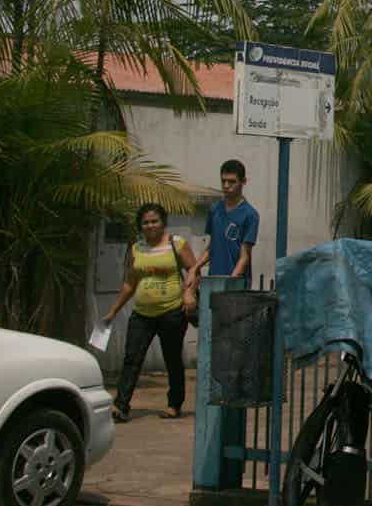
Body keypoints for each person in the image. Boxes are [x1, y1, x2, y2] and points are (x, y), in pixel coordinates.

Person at [102, 203, 198, 421]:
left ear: (163, 222)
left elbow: (193, 268)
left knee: (172, 359)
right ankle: (121, 406)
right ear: (140, 226)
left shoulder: (176, 243)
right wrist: (113, 310)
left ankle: (174, 404)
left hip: (172, 312)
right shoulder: (137, 248)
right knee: (131, 359)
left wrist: (189, 293)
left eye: (154, 221)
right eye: (145, 222)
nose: (150, 225)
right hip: (141, 314)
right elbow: (129, 283)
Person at [193, 157, 260, 285]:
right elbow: (211, 247)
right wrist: (195, 268)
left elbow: (245, 256)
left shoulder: (250, 214)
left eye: (232, 181)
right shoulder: (215, 209)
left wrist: (230, 281)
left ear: (243, 181)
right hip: (213, 280)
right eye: (223, 181)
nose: (226, 186)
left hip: (236, 285)